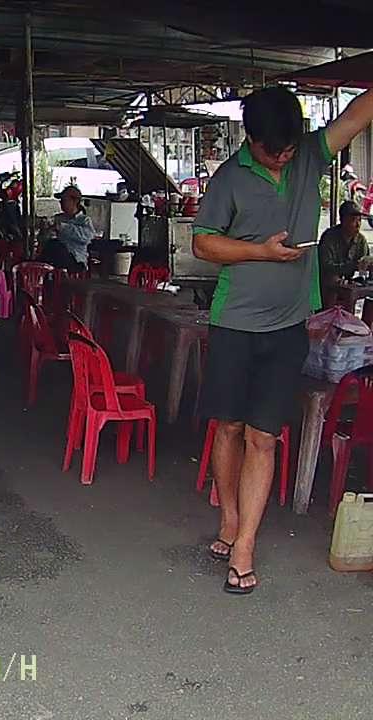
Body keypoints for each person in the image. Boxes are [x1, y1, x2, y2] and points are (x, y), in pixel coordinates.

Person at [193, 85, 373, 595]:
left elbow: (357, 115)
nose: (285, 157)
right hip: (234, 323)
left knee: (263, 436)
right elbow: (203, 243)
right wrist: (262, 252)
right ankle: (229, 518)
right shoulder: (230, 177)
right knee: (229, 427)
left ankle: (245, 545)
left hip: (289, 327)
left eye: (290, 148)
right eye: (275, 150)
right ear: (251, 140)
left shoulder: (311, 154)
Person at [39, 185, 96, 272]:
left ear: (75, 201)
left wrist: (63, 227)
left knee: (56, 246)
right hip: (57, 257)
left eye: (64, 200)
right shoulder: (58, 218)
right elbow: (43, 239)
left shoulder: (84, 220)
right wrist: (45, 231)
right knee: (51, 246)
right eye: (61, 201)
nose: (61, 203)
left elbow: (88, 237)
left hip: (76, 260)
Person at [319, 200, 370, 295]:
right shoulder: (329, 237)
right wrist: (353, 266)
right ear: (343, 220)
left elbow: (365, 262)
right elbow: (326, 266)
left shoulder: (361, 240)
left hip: (351, 281)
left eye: (359, 220)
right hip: (329, 284)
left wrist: (367, 264)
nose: (358, 224)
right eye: (354, 220)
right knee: (332, 280)